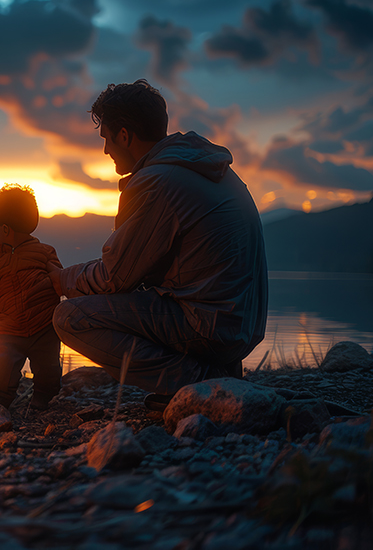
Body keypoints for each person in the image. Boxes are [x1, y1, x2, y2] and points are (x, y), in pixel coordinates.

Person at [47, 79, 268, 411]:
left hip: (210, 327)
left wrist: (61, 280)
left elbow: (115, 276)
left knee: (69, 317)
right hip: (241, 325)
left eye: (107, 138)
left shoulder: (157, 181)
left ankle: (202, 381)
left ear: (125, 135)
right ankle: (216, 373)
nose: (106, 150)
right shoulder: (203, 167)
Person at [0, 184, 64, 412]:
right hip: (7, 330)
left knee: (48, 371)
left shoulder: (45, 253)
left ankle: (42, 401)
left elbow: (59, 281)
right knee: (0, 369)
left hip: (44, 327)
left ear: (4, 229)